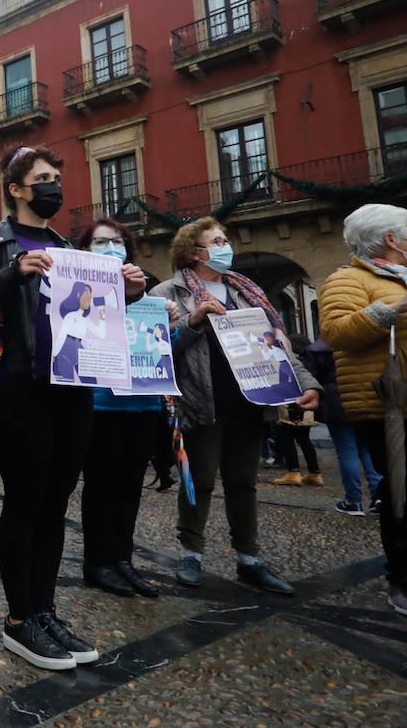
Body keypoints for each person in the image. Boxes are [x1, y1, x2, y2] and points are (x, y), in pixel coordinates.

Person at [0, 145, 146, 672]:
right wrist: (15, 271)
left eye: (57, 177)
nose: (54, 185)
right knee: (25, 501)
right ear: (17, 190)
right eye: (42, 178)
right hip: (19, 386)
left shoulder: (71, 247)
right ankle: (19, 621)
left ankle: (45, 611)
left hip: (75, 386)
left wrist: (126, 293)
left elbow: (90, 315)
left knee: (57, 503)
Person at [151, 217, 319, 596]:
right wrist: (193, 322)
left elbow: (276, 342)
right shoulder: (169, 292)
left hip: (249, 401)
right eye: (217, 240)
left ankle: (250, 559)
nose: (226, 246)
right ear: (195, 252)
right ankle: (191, 553)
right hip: (202, 403)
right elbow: (159, 352)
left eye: (225, 239)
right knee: (201, 482)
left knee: (243, 483)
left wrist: (305, 383)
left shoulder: (247, 292)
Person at [318, 203, 407, 616]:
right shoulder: (349, 279)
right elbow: (338, 332)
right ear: (391, 239)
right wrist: (397, 308)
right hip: (391, 403)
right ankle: (403, 579)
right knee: (402, 494)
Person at [76, 218, 169, 599]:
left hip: (144, 404)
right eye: (101, 241)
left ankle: (123, 560)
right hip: (101, 405)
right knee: (101, 486)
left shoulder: (147, 296)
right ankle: (97, 562)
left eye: (117, 242)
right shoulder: (80, 292)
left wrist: (175, 327)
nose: (112, 247)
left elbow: (163, 351)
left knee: (131, 487)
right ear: (85, 251)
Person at [304, 336, 380, 515]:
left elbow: (310, 377)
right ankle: (379, 495)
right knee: (367, 449)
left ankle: (353, 500)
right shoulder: (359, 339)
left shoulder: (317, 349)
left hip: (334, 402)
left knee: (347, 452)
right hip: (362, 398)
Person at [272, 333, 323, 486]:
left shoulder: (289, 360)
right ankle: (315, 473)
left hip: (291, 403)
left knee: (286, 438)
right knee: (305, 440)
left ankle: (293, 472)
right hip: (307, 405)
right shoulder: (310, 360)